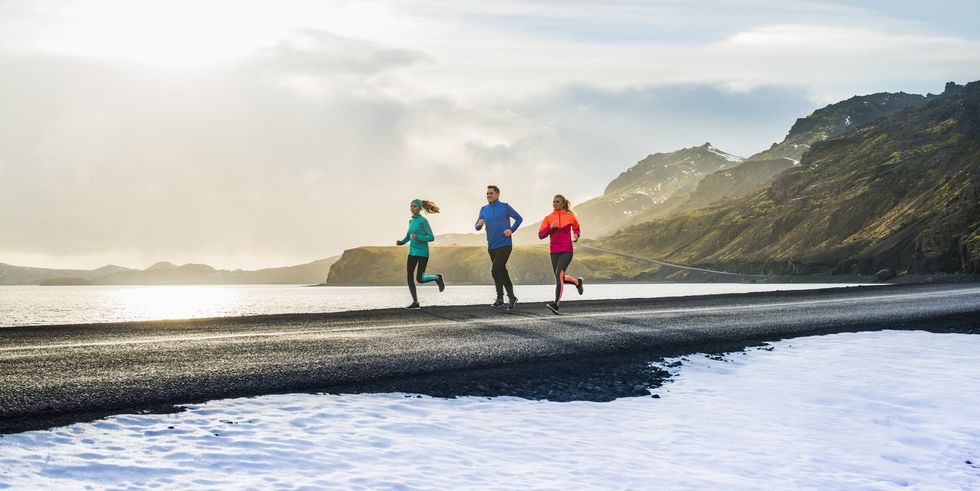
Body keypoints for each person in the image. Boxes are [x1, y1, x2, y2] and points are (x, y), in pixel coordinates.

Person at [475, 185, 523, 310]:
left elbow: (519, 219)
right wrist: (479, 225)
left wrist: (511, 230)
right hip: (491, 245)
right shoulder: (484, 209)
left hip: (505, 244)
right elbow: (477, 226)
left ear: (497, 194)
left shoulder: (505, 207)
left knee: (495, 270)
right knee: (502, 271)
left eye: (491, 193)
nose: (488, 195)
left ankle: (500, 298)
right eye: (487, 193)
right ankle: (512, 297)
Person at [538, 194, 584, 314]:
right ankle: (577, 282)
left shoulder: (570, 216)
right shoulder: (548, 218)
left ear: (563, 204)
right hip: (554, 251)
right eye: (554, 201)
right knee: (560, 278)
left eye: (558, 202)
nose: (555, 203)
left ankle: (556, 304)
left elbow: (576, 228)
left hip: (567, 250)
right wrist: (551, 228)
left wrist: (575, 235)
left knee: (559, 274)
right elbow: (541, 235)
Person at [396, 198, 446, 310]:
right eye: (411, 206)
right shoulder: (411, 221)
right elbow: (409, 236)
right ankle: (415, 301)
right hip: (412, 252)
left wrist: (418, 237)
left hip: (423, 253)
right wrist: (402, 242)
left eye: (414, 206)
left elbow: (431, 237)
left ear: (419, 208)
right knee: (409, 276)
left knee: (420, 279)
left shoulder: (423, 221)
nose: (412, 208)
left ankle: (437, 278)